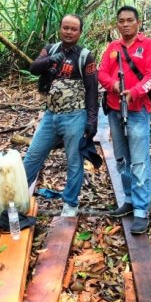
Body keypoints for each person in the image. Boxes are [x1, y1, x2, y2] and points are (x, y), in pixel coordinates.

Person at [22, 14, 100, 217]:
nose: (69, 32)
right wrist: (49, 60)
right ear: (60, 29)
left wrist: (92, 121)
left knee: (74, 161)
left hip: (75, 116)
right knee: (33, 156)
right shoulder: (51, 49)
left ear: (80, 32)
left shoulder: (85, 56)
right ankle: (18, 197)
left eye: (74, 29)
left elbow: (92, 89)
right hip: (50, 115)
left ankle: (70, 204)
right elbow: (34, 67)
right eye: (66, 28)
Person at [98, 6, 151, 234]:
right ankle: (128, 201)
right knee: (121, 159)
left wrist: (133, 92)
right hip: (114, 110)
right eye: (121, 21)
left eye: (129, 20)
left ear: (138, 22)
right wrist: (113, 85)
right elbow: (102, 72)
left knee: (139, 161)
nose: (125, 25)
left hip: (137, 111)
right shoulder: (112, 48)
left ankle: (141, 211)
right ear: (117, 24)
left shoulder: (150, 46)